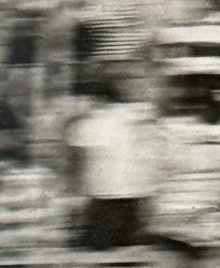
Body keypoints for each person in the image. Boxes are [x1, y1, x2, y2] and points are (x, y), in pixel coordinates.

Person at [65, 65, 157, 249]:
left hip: (105, 203)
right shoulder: (138, 116)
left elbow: (77, 161)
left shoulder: (91, 123)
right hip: (136, 200)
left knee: (95, 252)